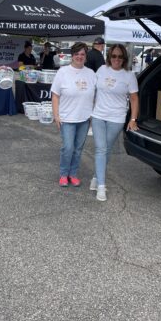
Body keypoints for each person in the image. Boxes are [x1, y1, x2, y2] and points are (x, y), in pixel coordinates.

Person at [90, 44, 139, 202]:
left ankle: (96, 177)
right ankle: (101, 186)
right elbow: (92, 90)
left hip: (117, 118)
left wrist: (133, 119)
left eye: (120, 56)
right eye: (114, 56)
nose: (117, 59)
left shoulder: (129, 76)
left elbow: (134, 99)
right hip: (98, 115)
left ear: (124, 58)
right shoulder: (101, 70)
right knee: (101, 148)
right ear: (109, 57)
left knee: (106, 150)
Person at [51, 42, 96, 187]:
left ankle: (73, 174)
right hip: (67, 118)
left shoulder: (91, 73)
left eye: (82, 54)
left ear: (86, 56)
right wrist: (56, 115)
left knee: (78, 149)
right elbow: (55, 95)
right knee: (68, 148)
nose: (79, 57)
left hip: (84, 118)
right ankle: (64, 174)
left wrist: (93, 114)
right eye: (76, 54)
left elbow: (95, 95)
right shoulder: (63, 72)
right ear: (72, 56)